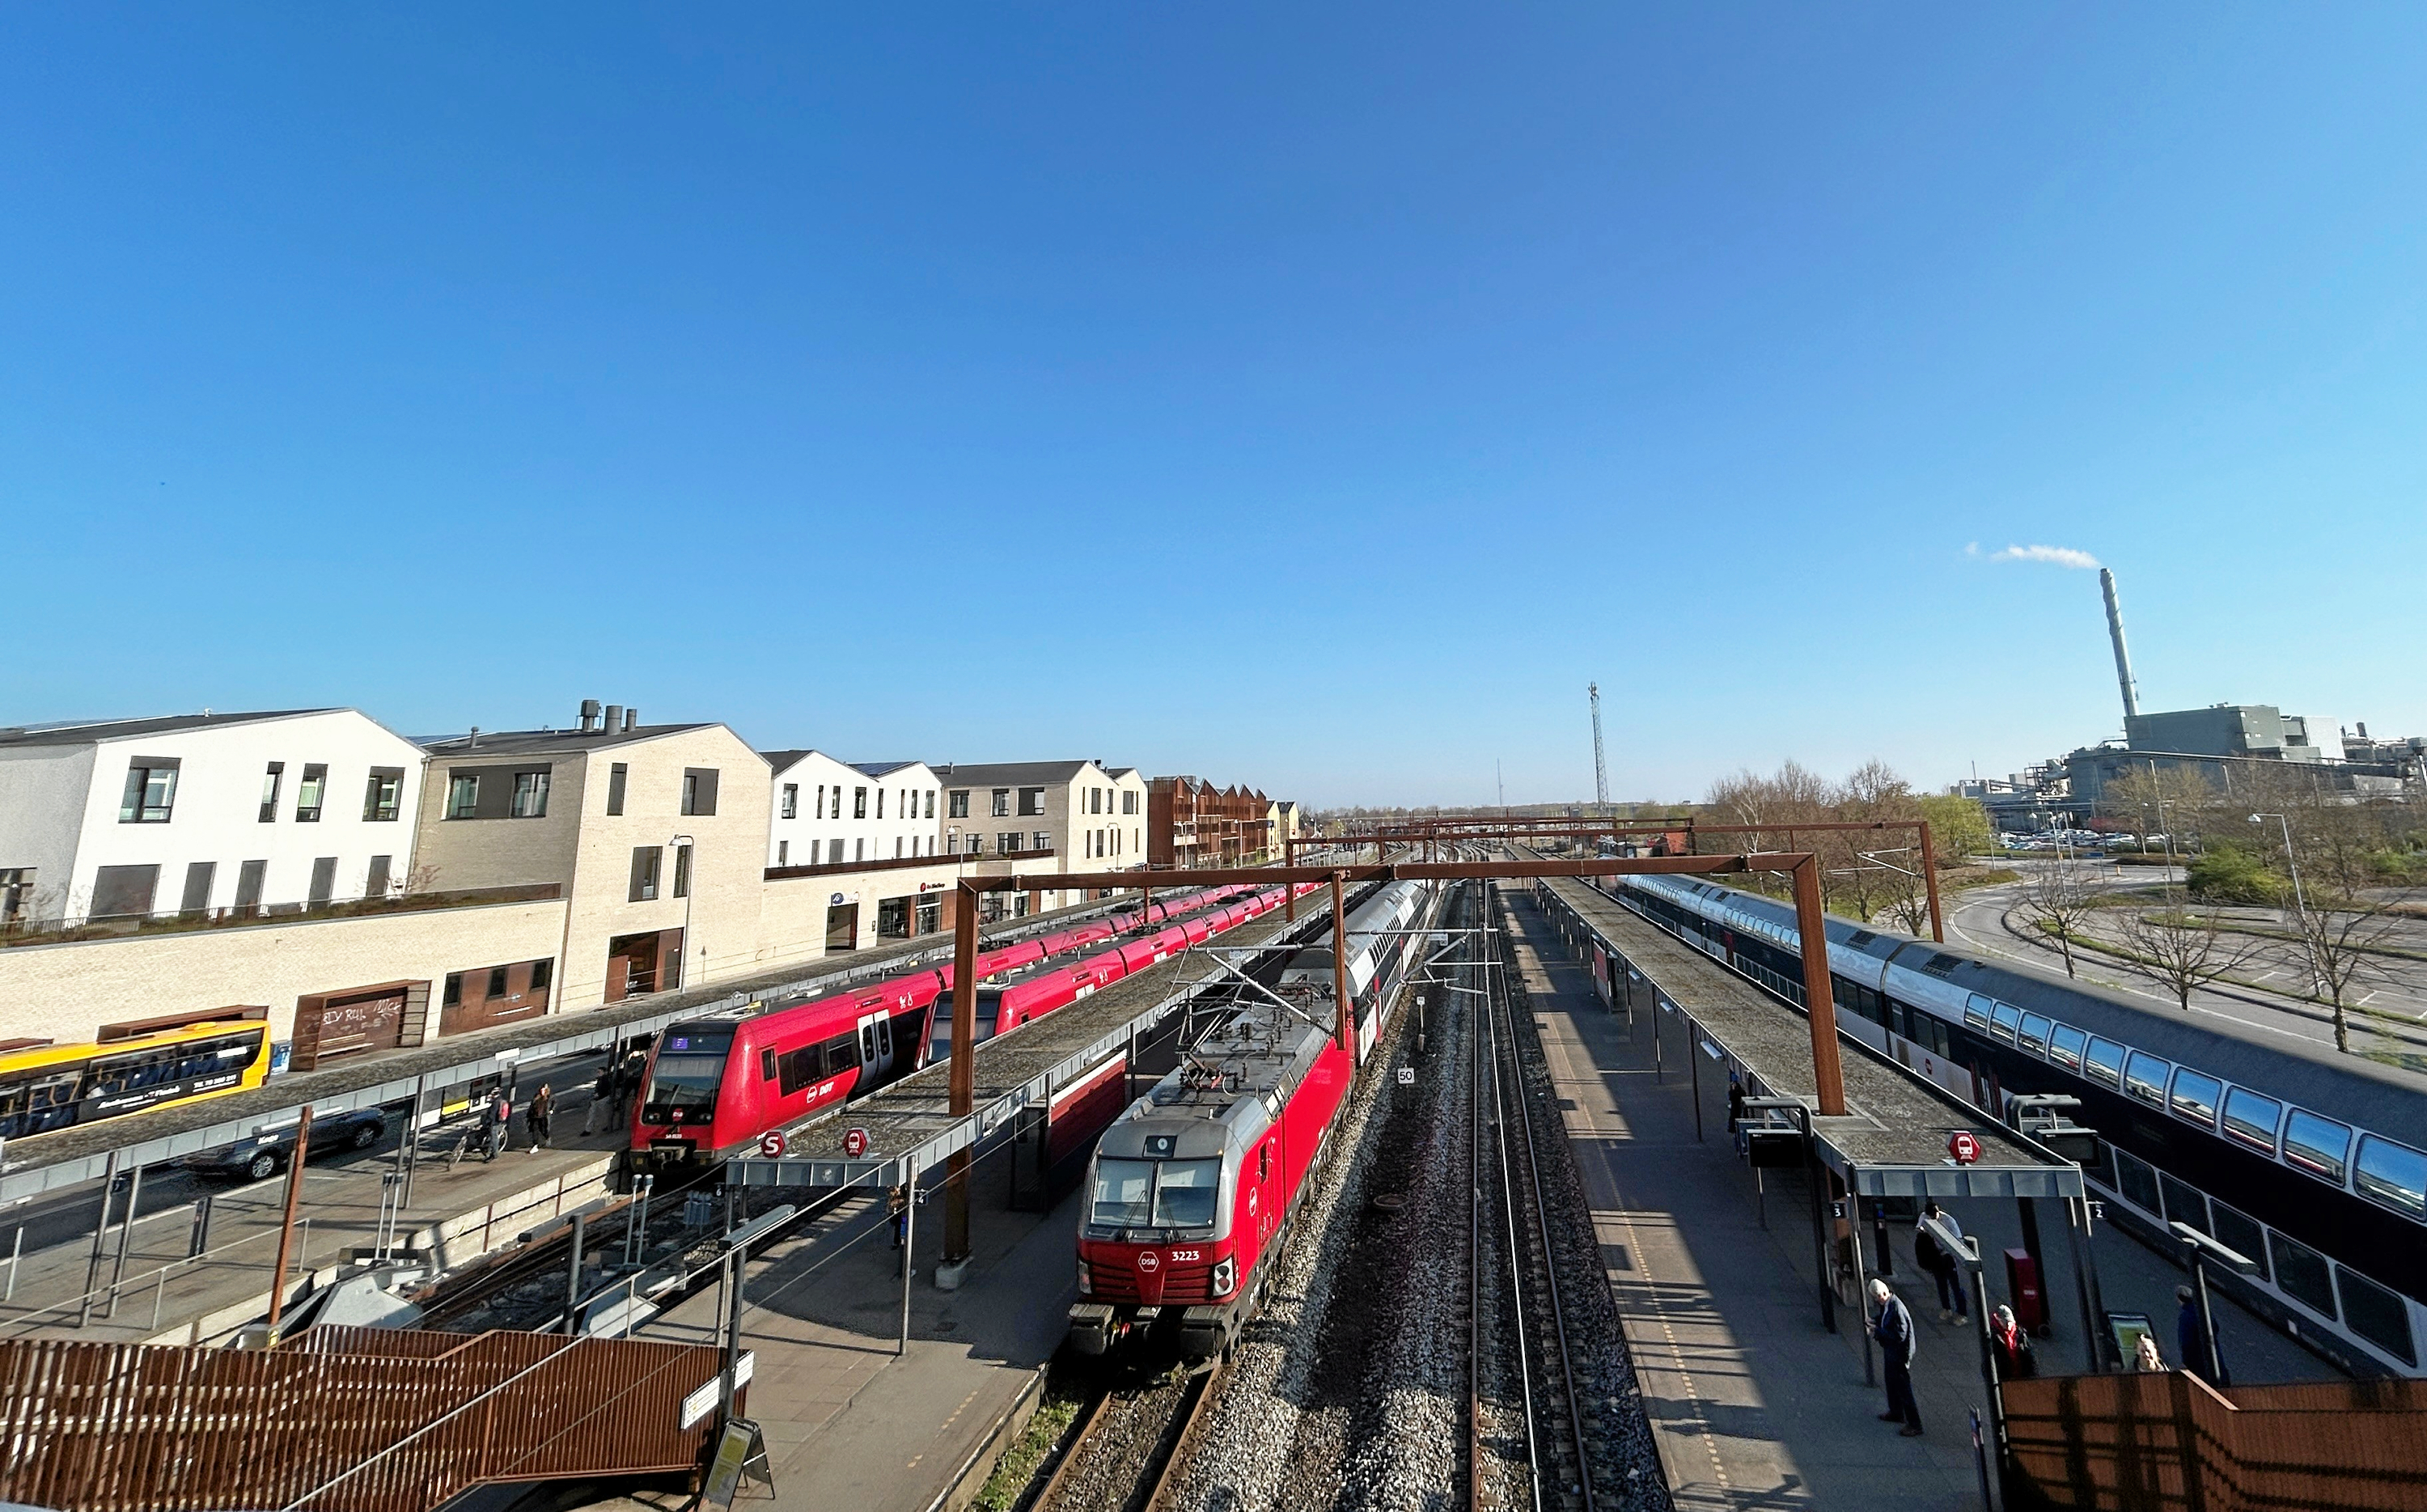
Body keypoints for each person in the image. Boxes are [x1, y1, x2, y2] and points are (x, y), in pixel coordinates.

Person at [1870, 1279, 1923, 1436]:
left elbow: (1900, 1335)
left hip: (1899, 1354)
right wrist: (1875, 1321)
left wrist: (1878, 1331)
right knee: (1891, 1382)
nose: (1879, 1300)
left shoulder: (1897, 1308)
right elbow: (1886, 1319)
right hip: (1891, 1351)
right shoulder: (1888, 1304)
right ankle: (1896, 1412)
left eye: (1878, 1297)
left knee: (1904, 1388)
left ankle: (1915, 1424)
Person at [1919, 1201, 1968, 1323]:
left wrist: (1948, 1251)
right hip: (1935, 1254)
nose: (1932, 1219)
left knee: (1955, 1284)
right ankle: (1946, 1308)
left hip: (1948, 1254)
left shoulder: (1949, 1221)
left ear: (1938, 1212)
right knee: (1941, 1283)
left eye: (1933, 1216)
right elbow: (1920, 1230)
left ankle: (1962, 1313)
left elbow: (1958, 1240)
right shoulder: (1924, 1217)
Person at [2176, 1285, 2220, 1383]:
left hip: (2197, 1364)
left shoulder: (2186, 1316)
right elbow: (2216, 1328)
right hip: (2215, 1359)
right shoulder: (2205, 1311)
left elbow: (2186, 1343)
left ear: (2180, 1299)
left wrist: (2186, 1363)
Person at [1991, 1305, 2037, 1380]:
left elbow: (2030, 1356)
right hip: (2004, 1379)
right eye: (2005, 1322)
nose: (2008, 1325)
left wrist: (2033, 1378)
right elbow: (1988, 1364)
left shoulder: (2020, 1334)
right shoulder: (1994, 1337)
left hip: (2023, 1377)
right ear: (1998, 1320)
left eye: (2009, 1322)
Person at [585, 1066, 615, 1136]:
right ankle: (589, 1129)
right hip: (600, 1098)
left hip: (601, 1099)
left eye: (599, 1072)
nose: (598, 1073)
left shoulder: (604, 1080)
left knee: (595, 1114)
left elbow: (604, 1090)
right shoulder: (603, 1079)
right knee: (598, 1113)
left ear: (604, 1072)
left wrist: (597, 1095)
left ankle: (588, 1130)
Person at [485, 1087, 512, 1160]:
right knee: (493, 1136)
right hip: (498, 1121)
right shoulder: (499, 1100)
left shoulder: (496, 1102)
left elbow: (492, 1114)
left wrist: (487, 1121)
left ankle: (494, 1154)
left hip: (494, 1123)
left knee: (494, 1138)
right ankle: (490, 1149)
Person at [527, 1082, 553, 1152]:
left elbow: (554, 1103)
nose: (542, 1092)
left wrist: (552, 1110)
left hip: (543, 1116)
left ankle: (547, 1137)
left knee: (543, 1130)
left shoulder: (549, 1097)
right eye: (541, 1090)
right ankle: (535, 1145)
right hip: (535, 1116)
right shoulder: (536, 1097)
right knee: (535, 1130)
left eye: (544, 1091)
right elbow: (532, 1105)